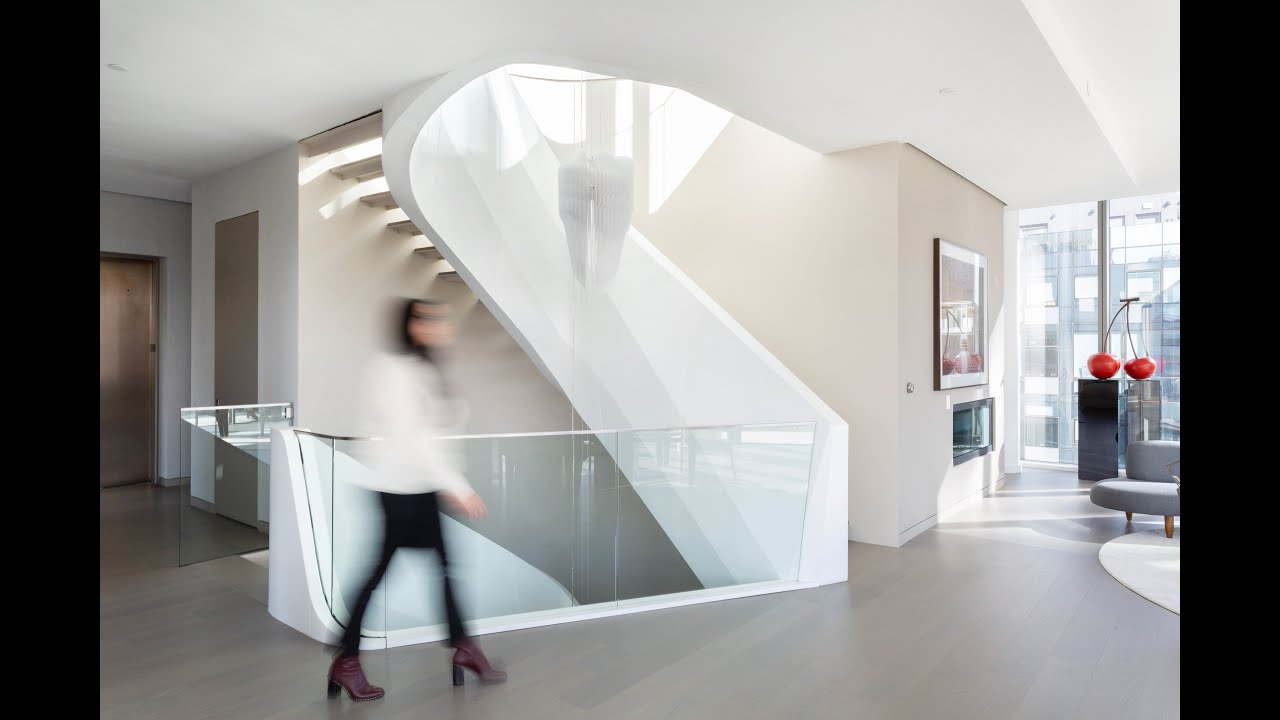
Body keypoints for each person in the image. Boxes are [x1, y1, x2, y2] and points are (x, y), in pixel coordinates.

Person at [327, 298, 507, 702]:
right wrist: (457, 486)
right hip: (400, 490)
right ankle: (348, 660)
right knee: (379, 574)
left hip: (420, 488)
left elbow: (436, 435)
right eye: (431, 319)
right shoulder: (394, 371)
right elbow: (413, 437)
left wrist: (445, 480)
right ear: (411, 325)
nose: (442, 325)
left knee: (443, 568)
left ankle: (464, 647)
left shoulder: (423, 369)